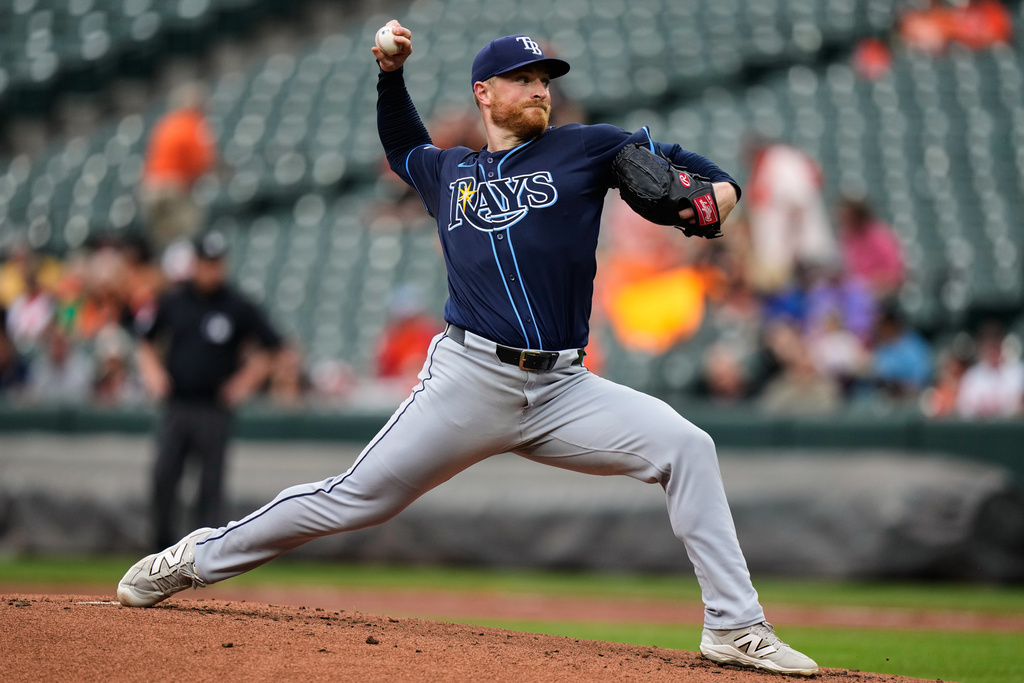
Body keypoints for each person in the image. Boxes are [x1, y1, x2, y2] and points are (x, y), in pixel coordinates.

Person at [117, 25, 818, 677]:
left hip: (564, 388)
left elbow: (678, 164)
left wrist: (719, 187)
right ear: (485, 93)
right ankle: (195, 556)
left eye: (546, 78)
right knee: (352, 498)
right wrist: (391, 75)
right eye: (524, 78)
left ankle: (733, 623)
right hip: (469, 377)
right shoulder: (449, 171)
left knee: (687, 445)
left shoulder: (588, 147)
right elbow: (401, 148)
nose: (541, 88)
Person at [134, 231, 282, 551]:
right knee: (164, 478)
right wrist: (154, 374)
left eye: (216, 264)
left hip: (214, 407)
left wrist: (244, 382)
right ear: (195, 264)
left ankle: (204, 555)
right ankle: (159, 550)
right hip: (178, 404)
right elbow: (145, 342)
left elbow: (274, 348)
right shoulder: (174, 301)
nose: (211, 270)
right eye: (205, 263)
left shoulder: (236, 305)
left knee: (210, 486)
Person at [139, 81, 217, 254]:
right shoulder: (192, 124)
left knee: (163, 240)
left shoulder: (166, 123)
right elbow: (201, 162)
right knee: (188, 233)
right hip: (173, 188)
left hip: (150, 189)